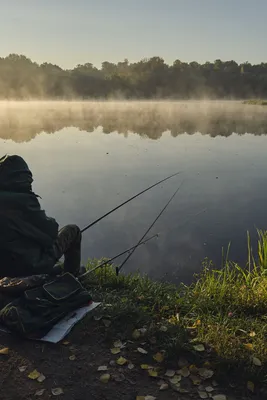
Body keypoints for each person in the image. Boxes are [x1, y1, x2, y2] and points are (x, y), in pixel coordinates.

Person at [0, 154, 82, 279]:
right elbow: (50, 234)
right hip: (28, 266)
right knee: (73, 230)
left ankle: (53, 272)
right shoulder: (25, 201)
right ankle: (71, 278)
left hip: (4, 268)